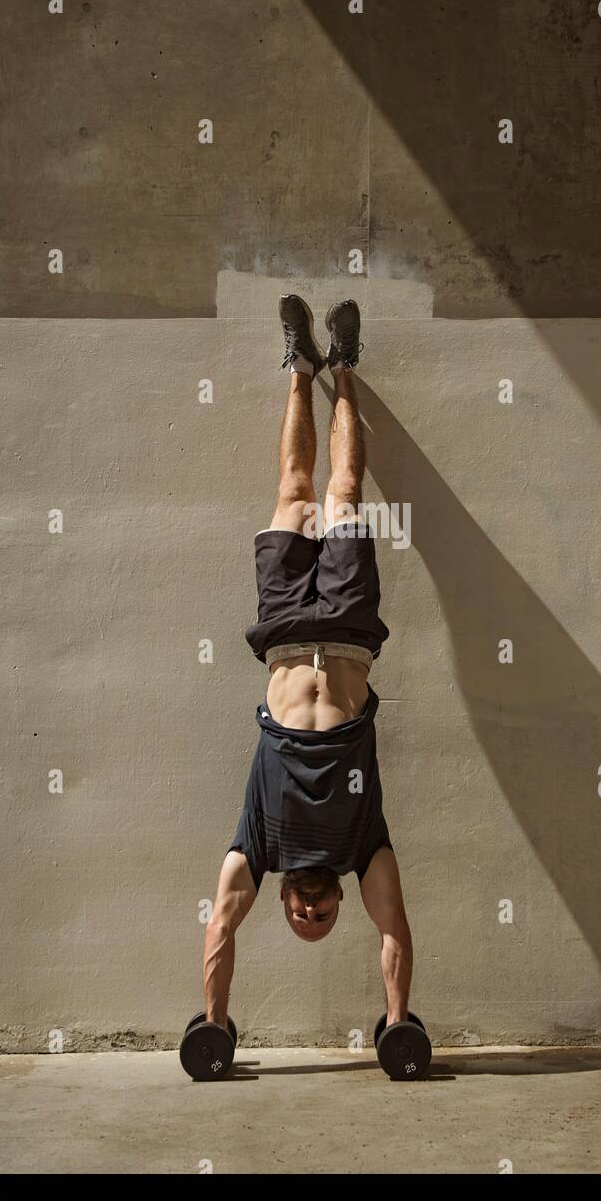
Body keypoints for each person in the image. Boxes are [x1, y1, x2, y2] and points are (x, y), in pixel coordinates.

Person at [202, 294, 413, 1038]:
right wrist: (397, 1023)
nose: (313, 910)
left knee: (294, 493)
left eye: (304, 916)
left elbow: (223, 926)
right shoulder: (363, 849)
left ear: (290, 904)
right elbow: (396, 929)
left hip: (286, 631)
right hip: (352, 628)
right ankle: (344, 371)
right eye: (323, 916)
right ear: (336, 904)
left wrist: (215, 1022)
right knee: (344, 492)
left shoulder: (259, 848)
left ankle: (302, 367)